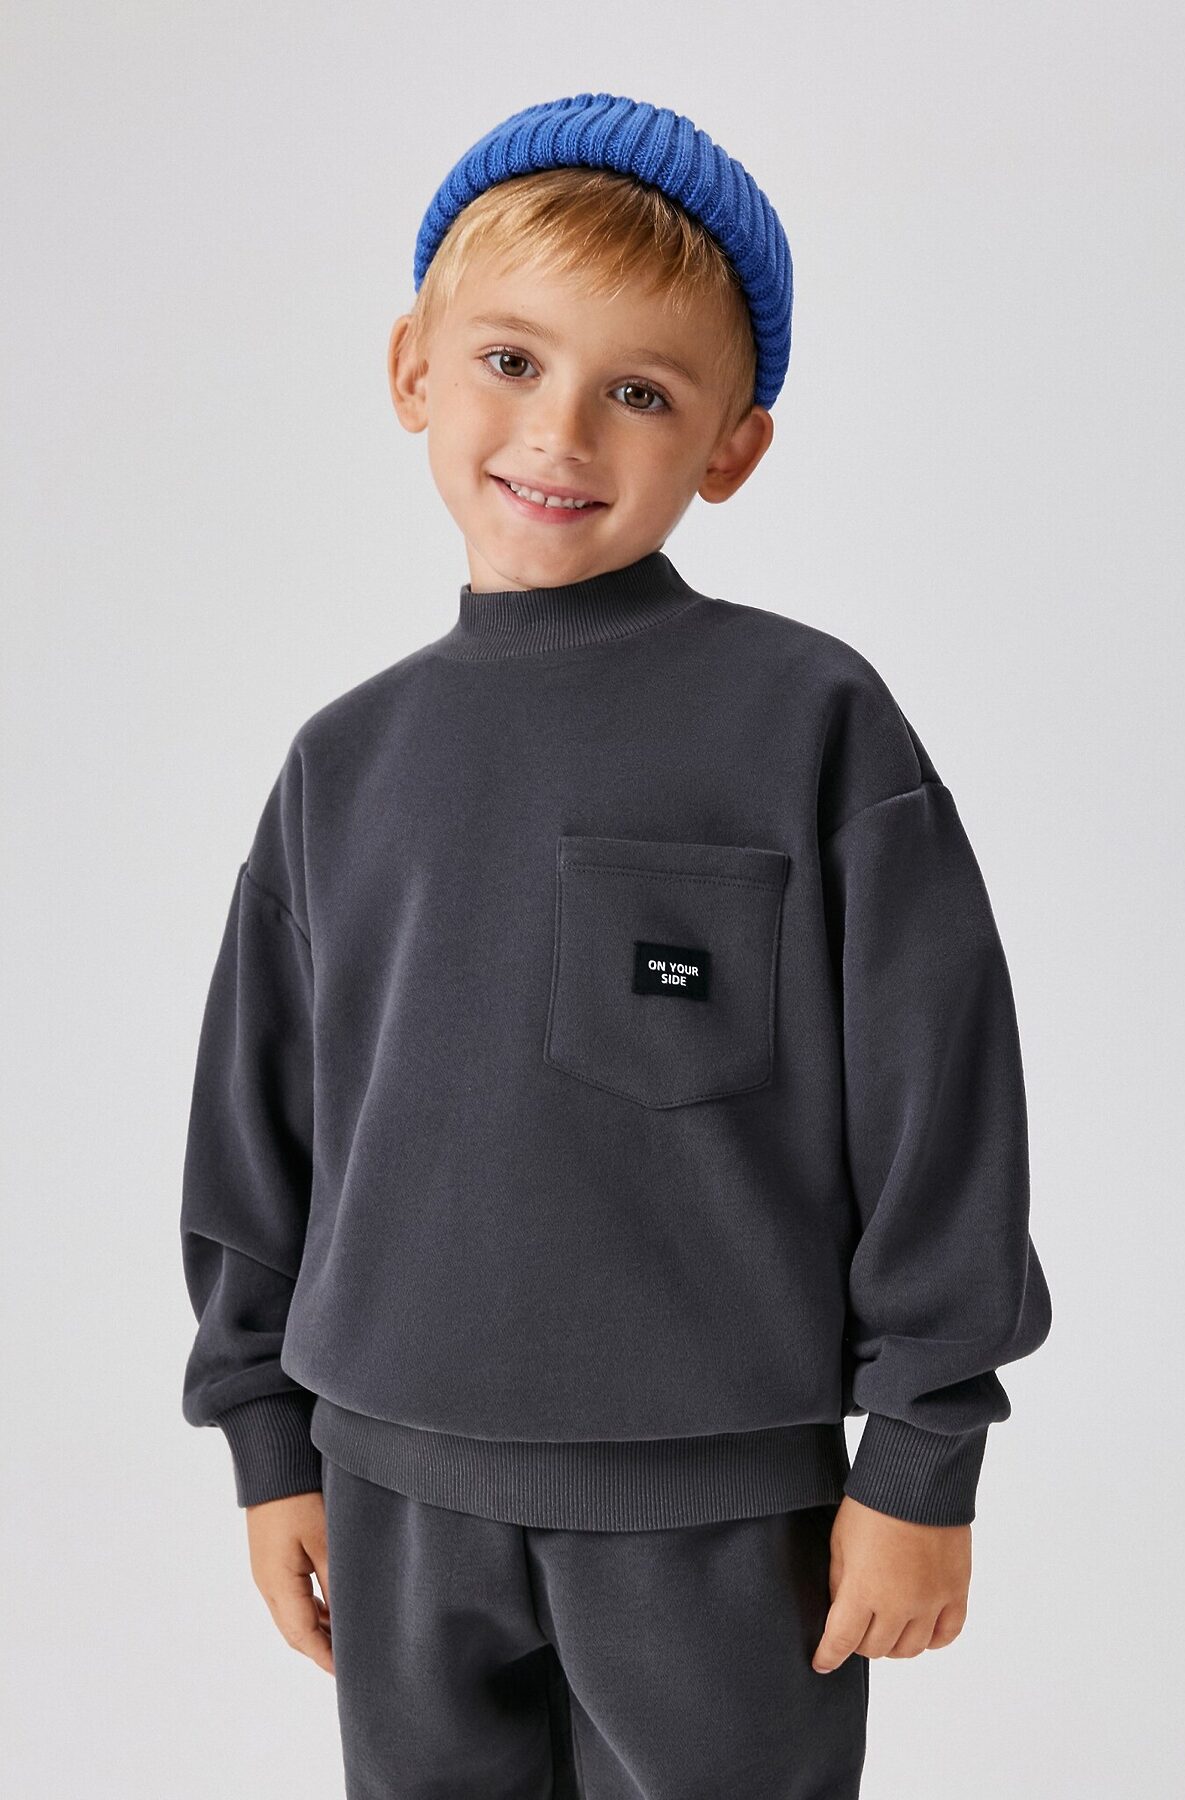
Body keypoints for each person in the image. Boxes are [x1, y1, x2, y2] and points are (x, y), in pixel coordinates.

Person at [179, 90, 1053, 1800]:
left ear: (732, 446)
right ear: (413, 370)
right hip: (393, 1495)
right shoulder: (343, 762)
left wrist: (922, 1457)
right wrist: (266, 1437)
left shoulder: (810, 722)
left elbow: (943, 1105)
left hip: (714, 1513)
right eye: (510, 360)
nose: (560, 430)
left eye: (640, 392)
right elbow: (257, 1128)